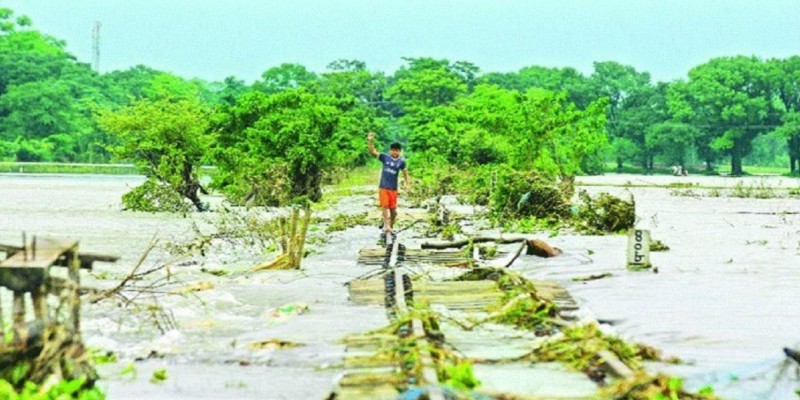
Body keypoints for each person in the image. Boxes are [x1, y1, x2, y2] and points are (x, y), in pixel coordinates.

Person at [367, 132, 410, 243]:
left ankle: (390, 226)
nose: (394, 152)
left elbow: (405, 173)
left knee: (394, 212)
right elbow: (372, 152)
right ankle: (387, 226)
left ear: (399, 151)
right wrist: (370, 141)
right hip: (384, 187)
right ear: (390, 150)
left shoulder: (401, 162)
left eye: (397, 150)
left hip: (393, 189)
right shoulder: (385, 157)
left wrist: (407, 184)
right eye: (393, 150)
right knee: (385, 207)